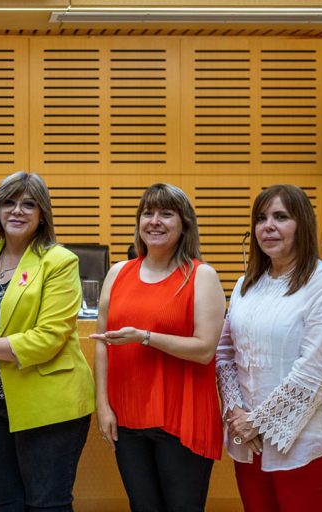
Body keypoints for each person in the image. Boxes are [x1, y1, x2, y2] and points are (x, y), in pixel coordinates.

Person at [0, 171, 95, 511]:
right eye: (8, 202)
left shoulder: (59, 261)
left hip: (47, 402)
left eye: (28, 204)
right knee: (3, 503)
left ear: (42, 214)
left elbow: (48, 338)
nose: (17, 211)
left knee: (46, 505)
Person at [216, 184, 322, 512]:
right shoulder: (246, 284)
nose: (268, 226)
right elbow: (224, 353)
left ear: (301, 225)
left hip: (300, 443)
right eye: (261, 219)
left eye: (281, 217)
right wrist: (236, 414)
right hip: (248, 441)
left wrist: (257, 421)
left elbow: (314, 372)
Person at [91, 183, 226, 512]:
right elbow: (102, 343)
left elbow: (205, 350)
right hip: (127, 416)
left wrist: (145, 337)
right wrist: (103, 406)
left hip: (182, 415)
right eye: (147, 213)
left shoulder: (202, 276)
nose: (154, 221)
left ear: (184, 225)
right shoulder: (117, 273)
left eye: (166, 214)